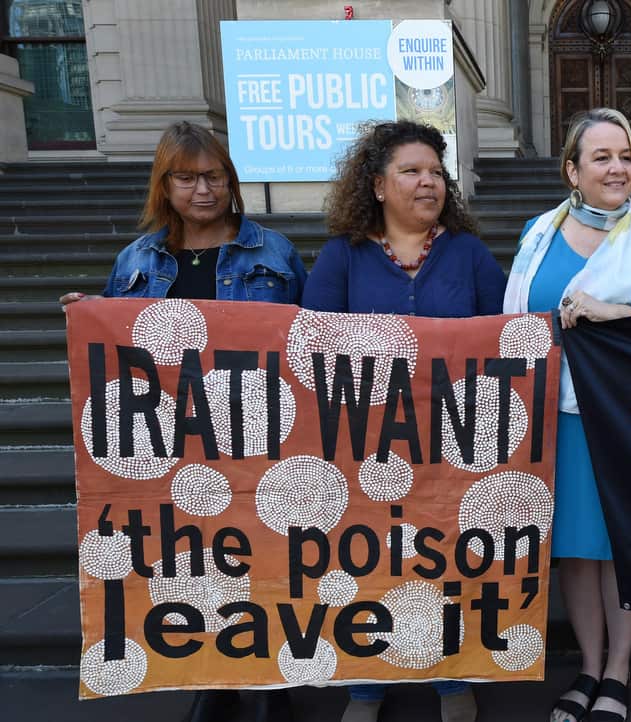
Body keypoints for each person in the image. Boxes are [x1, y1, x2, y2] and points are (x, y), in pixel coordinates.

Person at [60, 121, 305, 722]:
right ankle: (215, 678)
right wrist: (90, 318)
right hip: (173, 444)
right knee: (195, 560)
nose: (203, 189)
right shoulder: (136, 260)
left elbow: (309, 341)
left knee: (267, 556)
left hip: (258, 434)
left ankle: (271, 679)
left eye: (214, 176)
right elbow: (121, 354)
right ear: (163, 185)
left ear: (231, 180)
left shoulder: (274, 252)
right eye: (188, 178)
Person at [302, 120, 505, 722]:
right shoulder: (343, 255)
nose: (428, 182)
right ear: (378, 186)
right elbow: (308, 342)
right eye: (412, 172)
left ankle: (449, 676)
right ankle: (365, 681)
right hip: (365, 448)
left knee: (445, 561)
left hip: (454, 446)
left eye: (436, 173)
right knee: (367, 560)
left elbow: (507, 335)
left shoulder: (467, 254)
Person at [503, 108, 631, 722]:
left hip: (628, 420)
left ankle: (619, 670)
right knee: (577, 552)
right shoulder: (537, 235)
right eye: (602, 157)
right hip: (555, 419)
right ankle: (588, 666)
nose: (618, 169)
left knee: (621, 546)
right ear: (572, 170)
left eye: (627, 156)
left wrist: (619, 315)